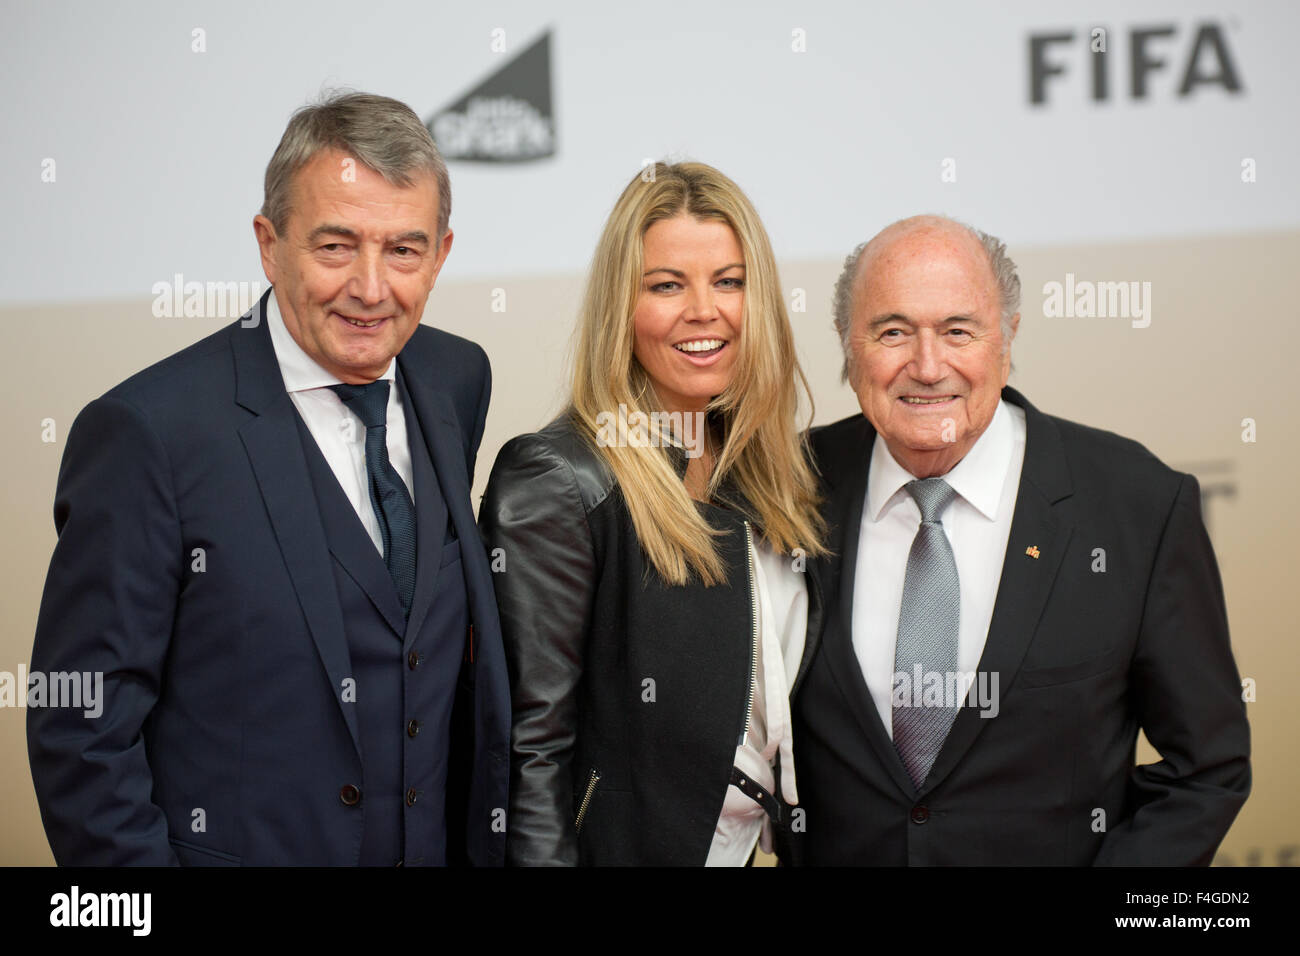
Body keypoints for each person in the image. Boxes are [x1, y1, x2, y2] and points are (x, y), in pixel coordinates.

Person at [27, 91, 509, 866]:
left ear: (442, 254)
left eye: (404, 250)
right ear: (268, 242)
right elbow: (80, 729)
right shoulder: (147, 433)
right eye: (334, 247)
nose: (371, 287)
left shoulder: (456, 378)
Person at [791, 214, 1250, 865]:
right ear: (846, 342)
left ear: (1007, 336)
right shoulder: (785, 489)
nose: (927, 366)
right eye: (892, 332)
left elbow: (1209, 768)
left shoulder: (1135, 504)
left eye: (958, 331)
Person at [479, 162, 826, 865]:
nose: (705, 310)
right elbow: (530, 751)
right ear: (621, 308)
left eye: (729, 282)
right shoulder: (560, 475)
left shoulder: (761, 473)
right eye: (666, 285)